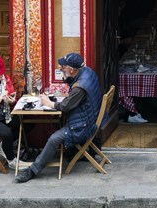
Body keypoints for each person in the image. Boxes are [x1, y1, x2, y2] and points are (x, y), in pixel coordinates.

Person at [16, 52, 102, 183]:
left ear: (72, 69)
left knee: (54, 139)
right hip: (89, 118)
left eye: (64, 67)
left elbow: (65, 107)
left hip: (83, 126)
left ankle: (33, 170)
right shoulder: (87, 71)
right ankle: (70, 151)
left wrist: (48, 103)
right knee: (57, 122)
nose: (61, 68)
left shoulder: (79, 88)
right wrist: (65, 77)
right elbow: (72, 94)